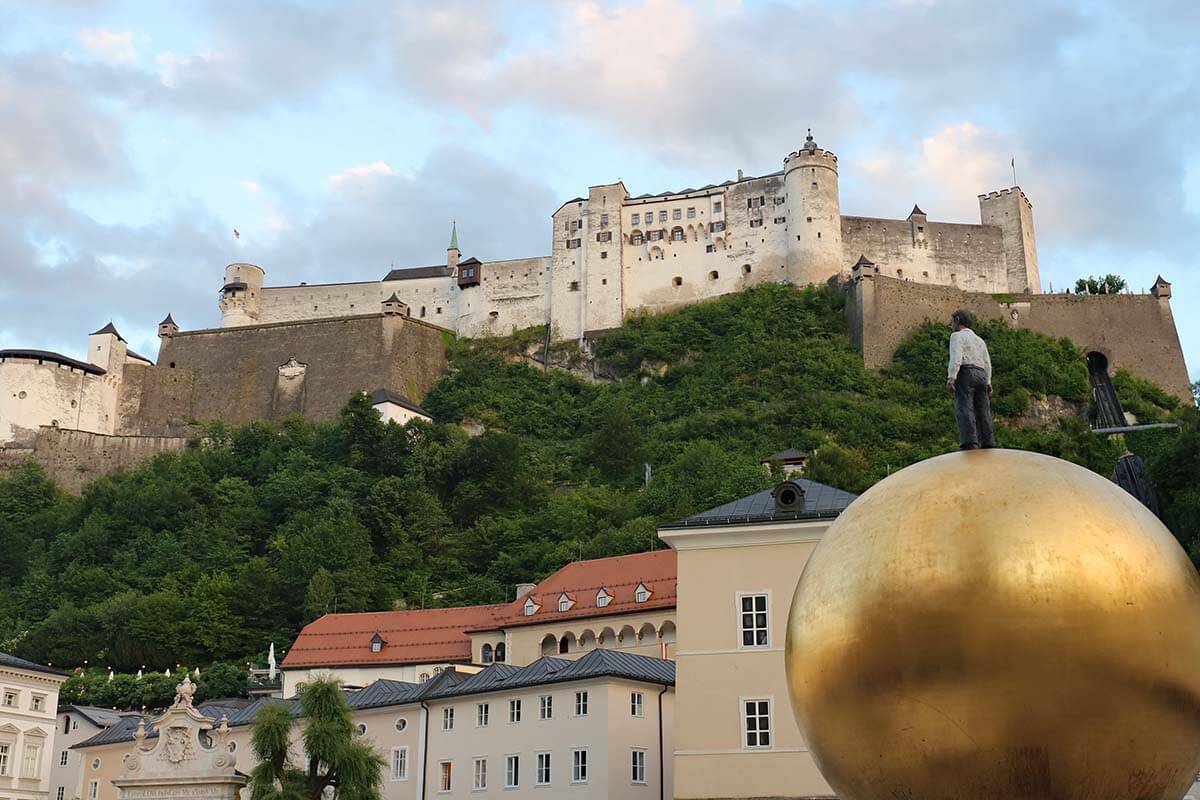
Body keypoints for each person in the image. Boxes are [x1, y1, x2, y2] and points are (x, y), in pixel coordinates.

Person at [946, 309, 995, 450]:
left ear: (957, 321)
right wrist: (988, 381)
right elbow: (987, 363)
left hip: (966, 373)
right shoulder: (980, 341)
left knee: (965, 407)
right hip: (982, 375)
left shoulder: (956, 336)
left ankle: (969, 441)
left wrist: (951, 377)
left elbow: (956, 358)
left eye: (952, 321)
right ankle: (988, 441)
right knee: (983, 410)